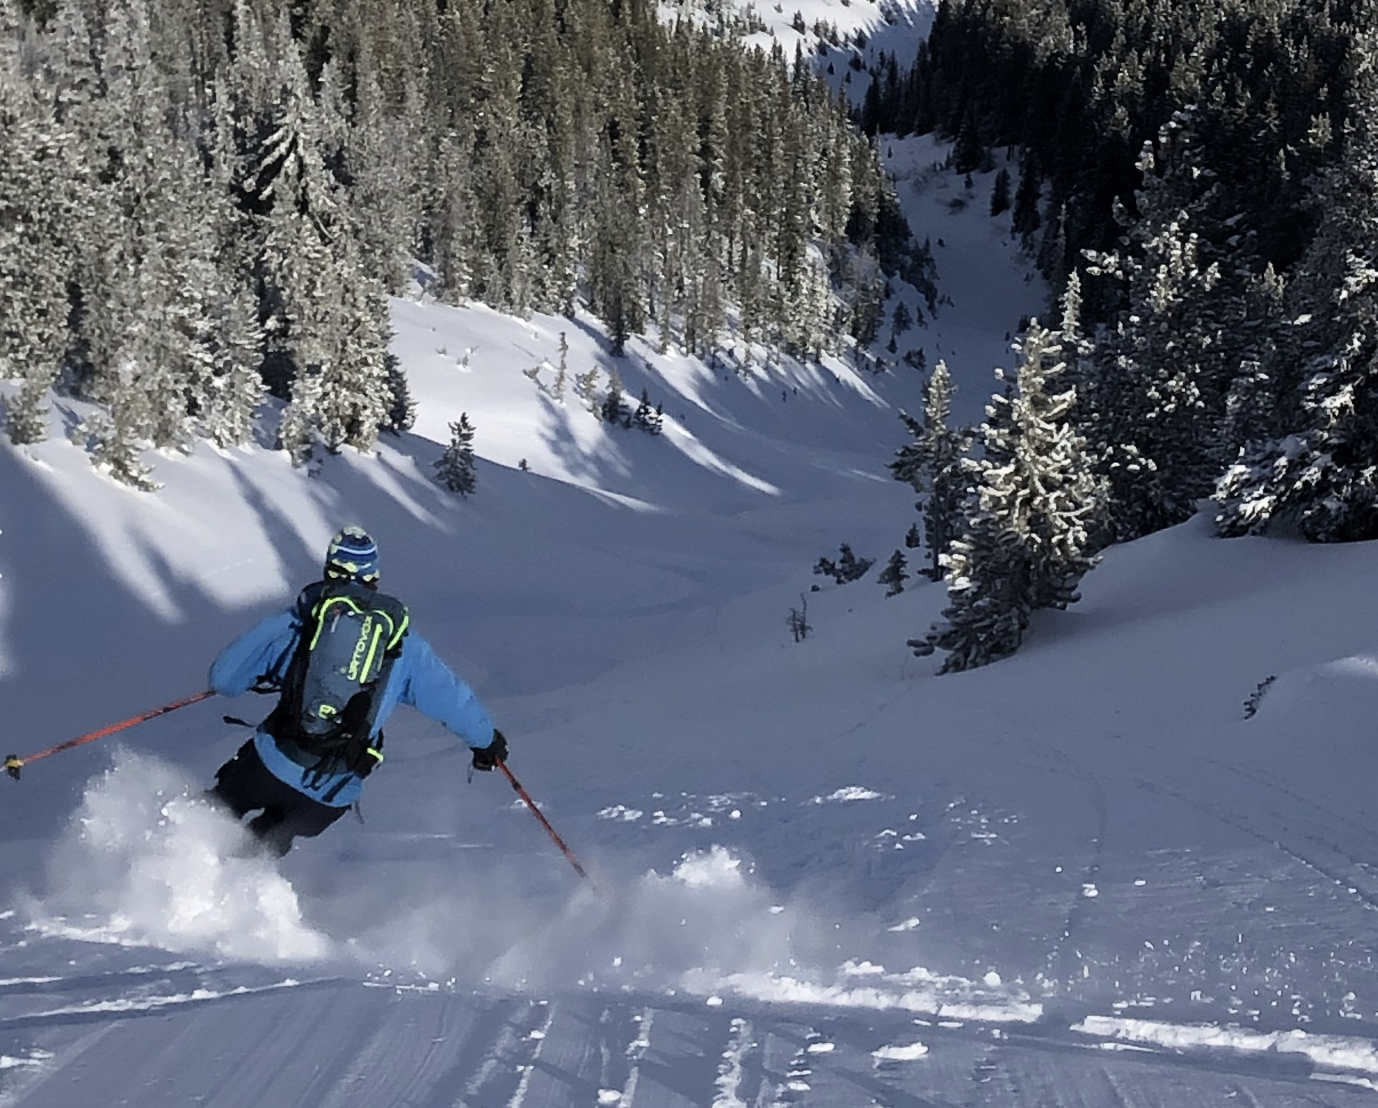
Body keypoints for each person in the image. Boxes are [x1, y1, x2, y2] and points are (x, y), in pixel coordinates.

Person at [207, 525, 507, 856]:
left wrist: (270, 671)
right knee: (269, 840)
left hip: (268, 768)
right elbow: (454, 700)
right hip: (328, 797)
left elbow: (224, 679)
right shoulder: (404, 644)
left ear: (329, 571)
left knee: (216, 812)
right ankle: (245, 886)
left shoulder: (299, 621)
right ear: (373, 578)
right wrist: (487, 743)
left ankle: (182, 863)